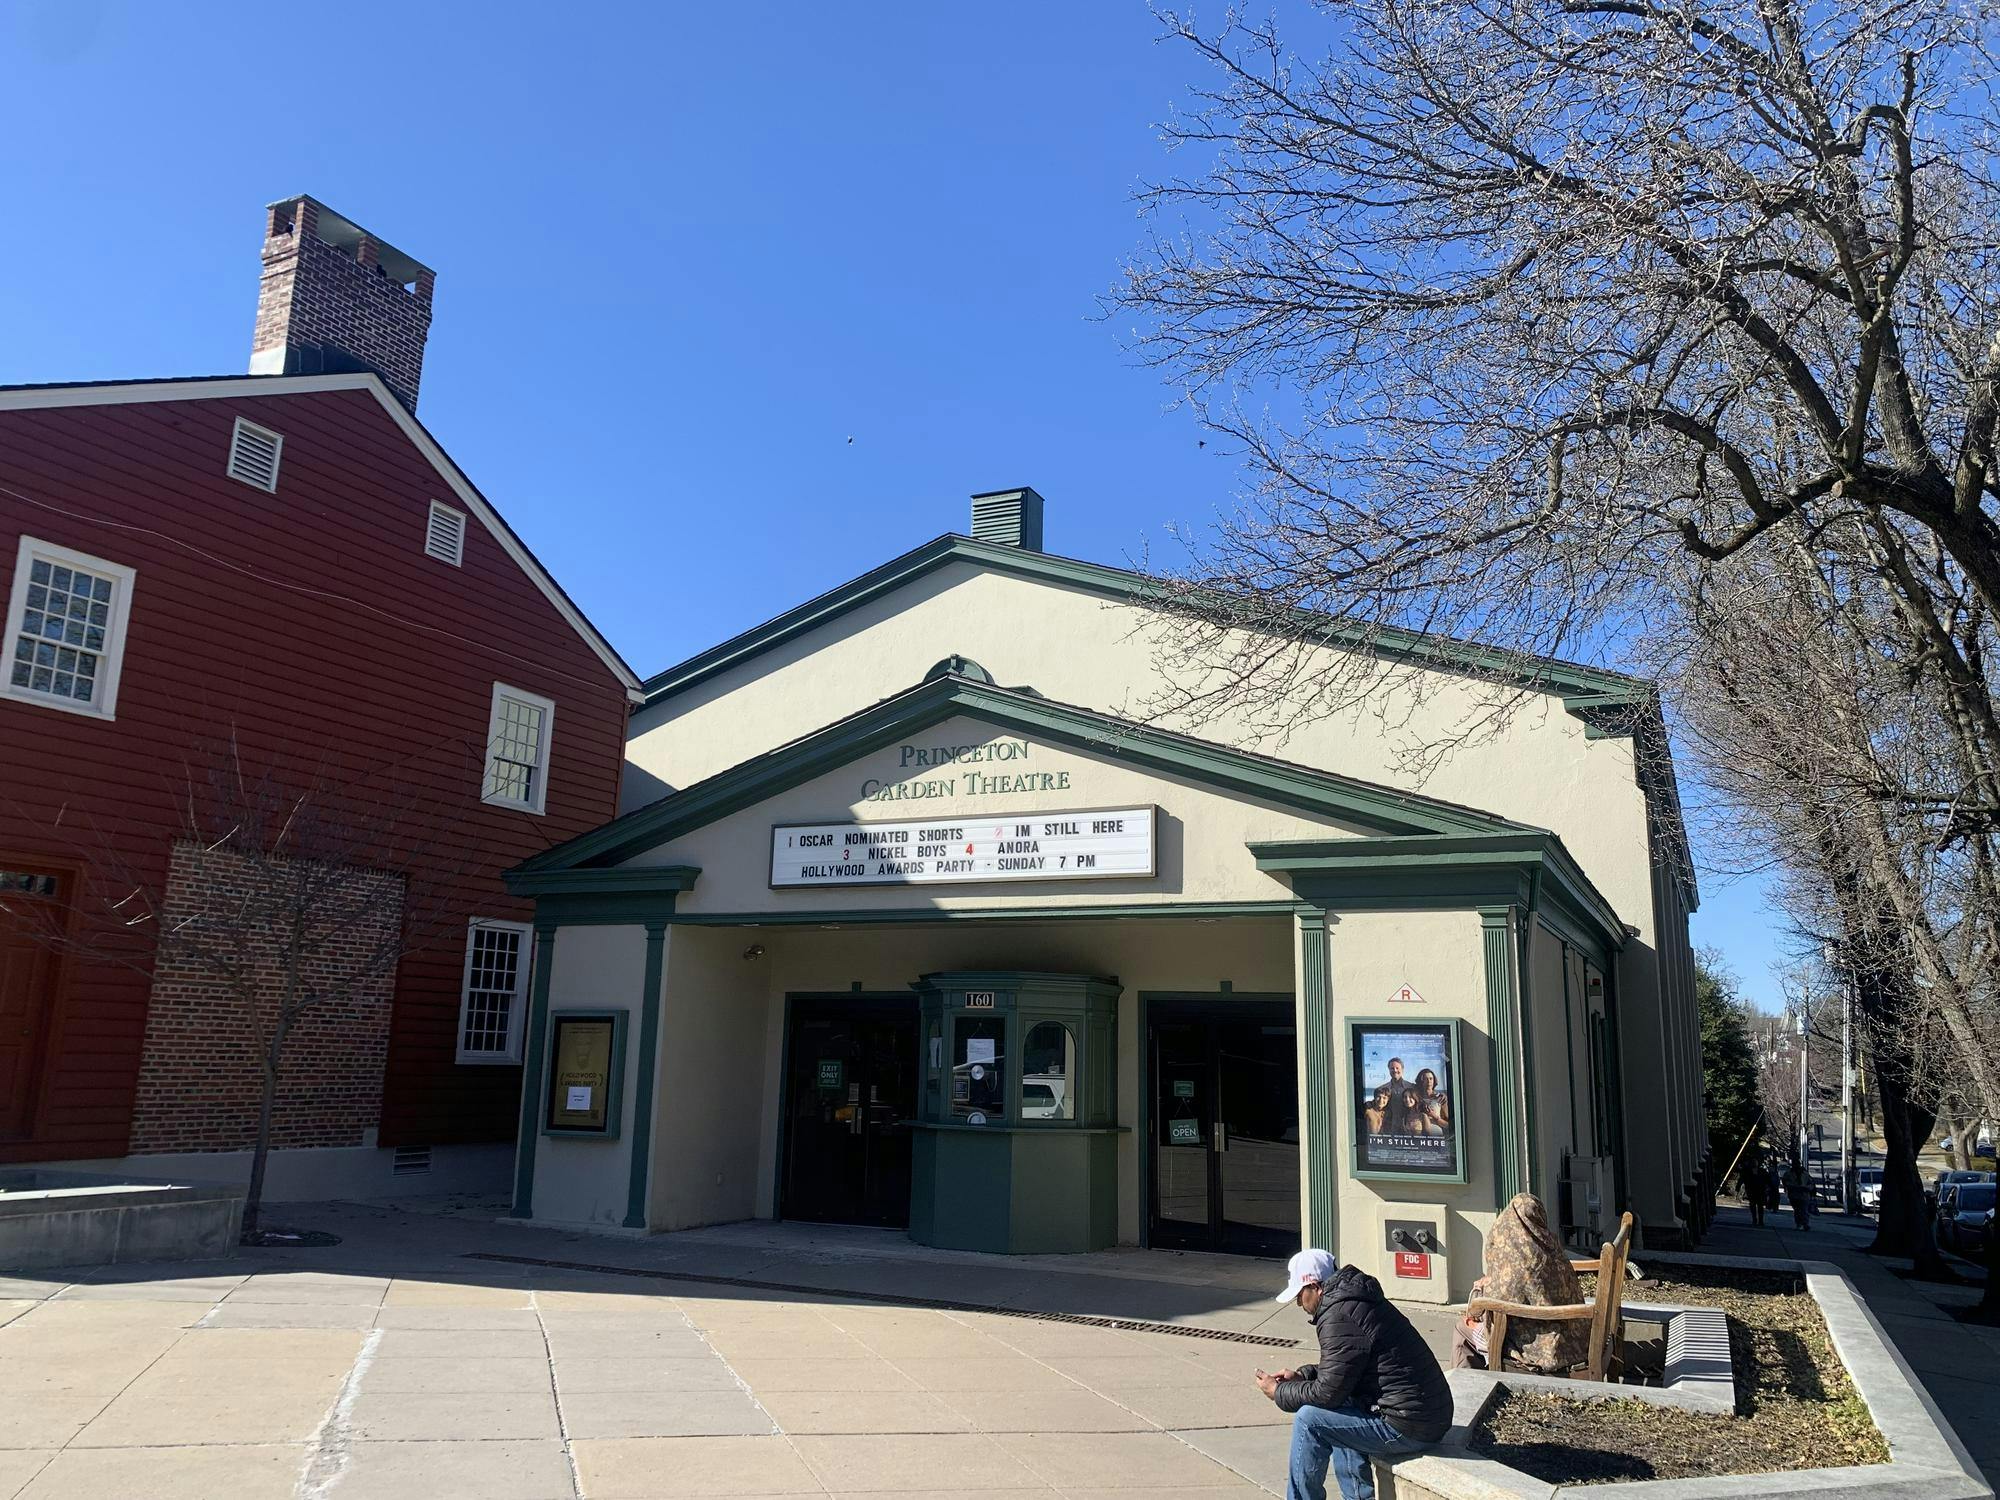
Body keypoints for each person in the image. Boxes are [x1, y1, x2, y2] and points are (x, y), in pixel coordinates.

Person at [1255, 1248, 1452, 1500]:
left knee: (1310, 1419)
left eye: (1299, 1294)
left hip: (1410, 1427)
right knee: (1339, 1409)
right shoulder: (1352, 1300)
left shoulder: (1339, 1314)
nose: (1297, 1303)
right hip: (1424, 1417)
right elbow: (1345, 1372)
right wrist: (1303, 1377)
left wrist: (1279, 1392)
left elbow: (1327, 1393)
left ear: (1315, 1287)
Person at [1467, 1193, 1589, 1373]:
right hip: (1572, 1334)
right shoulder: (1550, 1243)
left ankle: (1468, 1392)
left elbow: (1496, 1303)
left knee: (1462, 1330)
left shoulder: (1513, 1255)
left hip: (1534, 1346)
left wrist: (1479, 1292)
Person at [1784, 1159, 1814, 1229]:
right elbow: (1785, 1182)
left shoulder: (1805, 1173)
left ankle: (1805, 1223)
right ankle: (1799, 1223)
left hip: (1804, 1194)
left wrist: (1807, 1188)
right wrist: (1791, 1186)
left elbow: (1811, 1183)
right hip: (1794, 1194)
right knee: (1797, 1210)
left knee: (1804, 1210)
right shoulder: (1789, 1173)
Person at [1742, 1157, 1771, 1227]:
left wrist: (1768, 1187)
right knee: (1753, 1205)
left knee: (1760, 1206)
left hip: (1760, 1191)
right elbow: (1743, 1179)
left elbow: (1768, 1179)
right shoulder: (1747, 1171)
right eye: (1753, 1163)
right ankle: (1754, 1219)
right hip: (1752, 1191)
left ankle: (1760, 1220)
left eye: (1755, 1162)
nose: (1754, 1164)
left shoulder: (1762, 1171)